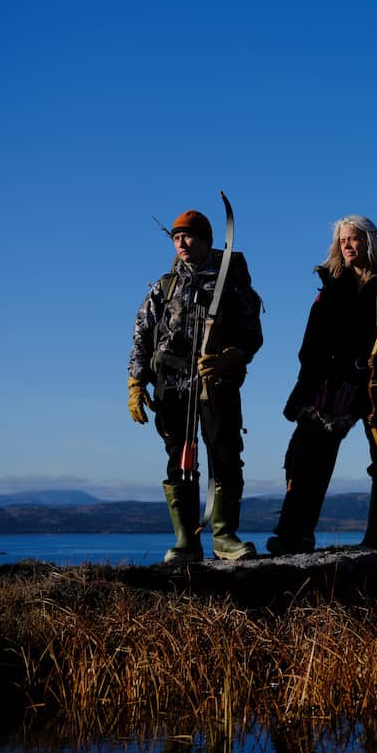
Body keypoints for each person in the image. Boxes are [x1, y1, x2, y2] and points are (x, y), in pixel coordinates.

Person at [268, 216, 377, 554]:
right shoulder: (333, 285)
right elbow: (312, 341)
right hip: (335, 383)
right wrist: (307, 384)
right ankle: (294, 535)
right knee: (309, 454)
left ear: (369, 242)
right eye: (342, 240)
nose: (347, 245)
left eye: (354, 238)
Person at [128, 208, 263, 562]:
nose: (182, 243)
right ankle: (186, 540)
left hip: (215, 383)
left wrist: (230, 357)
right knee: (180, 459)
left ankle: (223, 536)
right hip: (171, 386)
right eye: (176, 238)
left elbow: (252, 334)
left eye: (189, 236)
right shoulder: (164, 286)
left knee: (225, 455)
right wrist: (136, 382)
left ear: (206, 241)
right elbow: (142, 335)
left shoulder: (229, 281)